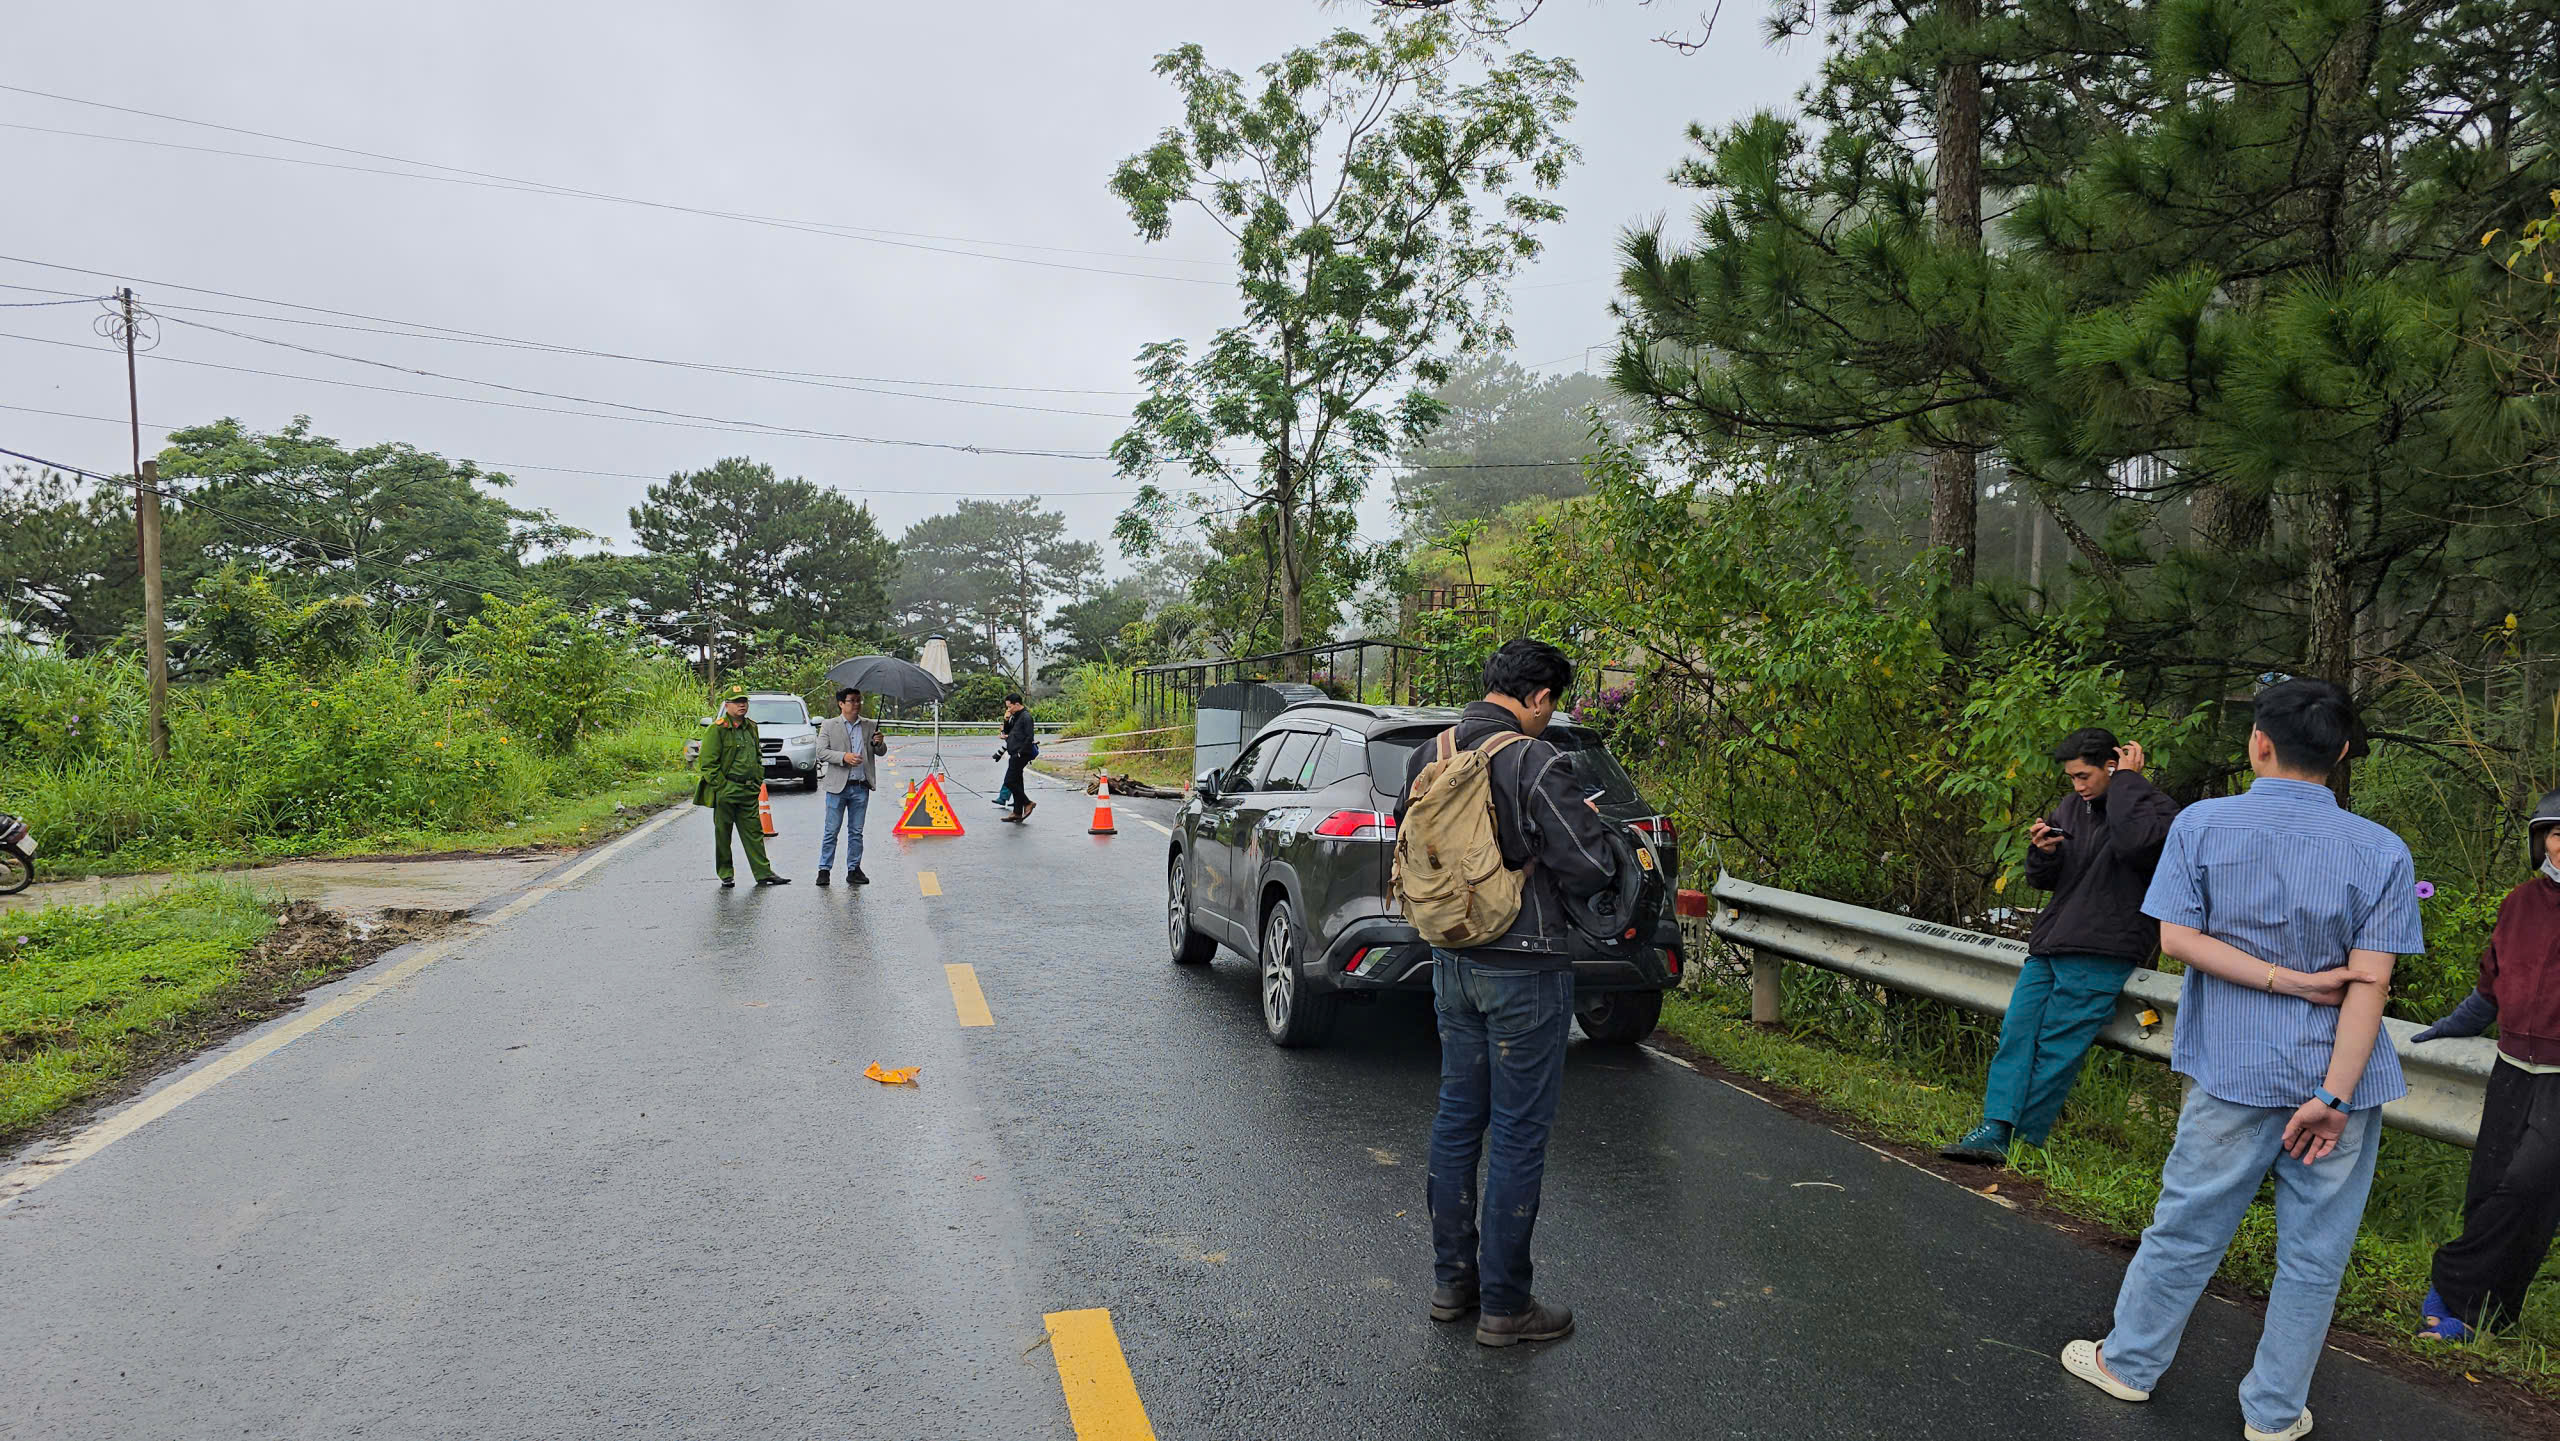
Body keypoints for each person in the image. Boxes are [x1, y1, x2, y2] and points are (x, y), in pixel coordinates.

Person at [2063, 679, 2421, 1441]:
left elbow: (2174, 939)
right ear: (2343, 752)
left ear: (2259, 741)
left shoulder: (2203, 825)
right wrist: (2332, 1092)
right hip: (2341, 1086)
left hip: (2235, 1068)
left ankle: (2129, 1364)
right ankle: (2274, 1411)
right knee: (2315, 1254)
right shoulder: (2382, 850)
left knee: (2187, 1223)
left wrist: (2276, 978)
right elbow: (2373, 983)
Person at [1398, 638, 1623, 1348]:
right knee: (1520, 1132)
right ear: (1538, 697)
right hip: (1525, 969)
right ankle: (1506, 1304)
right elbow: (1586, 864)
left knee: (1457, 1117)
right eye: (1550, 705)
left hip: (1451, 961)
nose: (1548, 718)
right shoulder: (1532, 759)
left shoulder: (1429, 753)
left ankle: (1451, 1283)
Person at [1943, 729, 2178, 1163]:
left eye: (2084, 776)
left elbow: (2136, 847)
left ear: (2113, 764)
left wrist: (2128, 783)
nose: (2078, 786)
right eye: (2072, 778)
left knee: (2057, 1046)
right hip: (2053, 940)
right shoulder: (2073, 808)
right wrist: (2043, 852)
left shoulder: (2155, 809)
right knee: (2017, 1032)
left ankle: (2022, 1143)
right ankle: (1995, 1127)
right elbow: (2046, 881)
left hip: (2105, 948)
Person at [2409, 787, 2560, 1340]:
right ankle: (2485, 1319)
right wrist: (2451, 1026)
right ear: (2540, 841)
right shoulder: (2519, 902)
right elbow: (2492, 986)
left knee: (2526, 1189)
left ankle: (2449, 1278)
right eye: (2556, 833)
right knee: (2490, 1186)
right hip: (2512, 1067)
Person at [693, 688, 788, 888]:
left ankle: (763, 872)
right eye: (737, 701)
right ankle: (726, 873)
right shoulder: (717, 729)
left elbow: (756, 756)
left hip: (748, 790)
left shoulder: (751, 727)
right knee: (723, 833)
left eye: (744, 701)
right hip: (727, 789)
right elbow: (708, 764)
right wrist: (722, 787)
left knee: (754, 833)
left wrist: (756, 781)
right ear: (727, 705)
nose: (742, 705)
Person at [814, 687, 886, 887]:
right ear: (841, 704)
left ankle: (854, 869)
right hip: (837, 786)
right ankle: (824, 870)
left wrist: (879, 743)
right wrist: (843, 757)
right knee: (831, 830)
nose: (856, 704)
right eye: (852, 701)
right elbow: (820, 752)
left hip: (860, 786)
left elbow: (879, 752)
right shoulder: (829, 725)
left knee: (856, 831)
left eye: (858, 700)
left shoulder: (870, 725)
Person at [995, 693, 1037, 823]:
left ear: (1017, 704)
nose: (1008, 710)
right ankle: (1017, 812)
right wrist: (1006, 720)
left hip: (1021, 754)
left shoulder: (1026, 717)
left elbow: (1029, 737)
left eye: (1010, 707)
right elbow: (1007, 732)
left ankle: (1027, 802)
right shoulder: (1014, 717)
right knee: (1017, 782)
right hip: (1013, 753)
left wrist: (1020, 752)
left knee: (1009, 781)